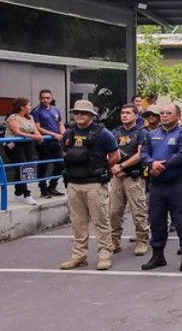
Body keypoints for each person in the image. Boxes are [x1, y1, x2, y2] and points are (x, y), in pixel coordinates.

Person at [58, 100, 120, 271]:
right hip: (73, 184)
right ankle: (78, 255)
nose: (79, 116)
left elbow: (115, 155)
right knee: (78, 222)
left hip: (94, 184)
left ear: (91, 116)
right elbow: (65, 153)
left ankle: (105, 254)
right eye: (76, 113)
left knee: (101, 221)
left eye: (83, 113)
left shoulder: (103, 134)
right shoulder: (69, 134)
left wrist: (101, 167)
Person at [141, 104, 182, 272]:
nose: (164, 115)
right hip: (157, 187)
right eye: (162, 113)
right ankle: (158, 255)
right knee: (156, 221)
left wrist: (162, 165)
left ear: (178, 116)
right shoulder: (152, 134)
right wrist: (152, 163)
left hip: (178, 186)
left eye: (168, 113)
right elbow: (143, 154)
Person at [109, 103, 149, 256]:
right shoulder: (115, 132)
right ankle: (114, 241)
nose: (124, 115)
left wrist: (122, 165)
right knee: (114, 211)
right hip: (117, 177)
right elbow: (109, 152)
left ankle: (141, 240)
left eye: (128, 113)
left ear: (135, 115)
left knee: (138, 211)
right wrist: (114, 167)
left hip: (134, 177)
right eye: (122, 112)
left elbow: (140, 154)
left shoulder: (141, 132)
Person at [4, 97, 43, 205]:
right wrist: (34, 136)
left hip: (27, 144)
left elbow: (35, 130)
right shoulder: (13, 117)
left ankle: (18, 190)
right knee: (22, 167)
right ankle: (26, 194)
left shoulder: (30, 117)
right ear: (22, 106)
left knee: (27, 166)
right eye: (28, 105)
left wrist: (39, 136)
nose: (30, 107)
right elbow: (17, 132)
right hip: (14, 144)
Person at [32, 89, 66, 198]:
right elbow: (37, 127)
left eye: (48, 97)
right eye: (43, 98)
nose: (45, 100)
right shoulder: (36, 111)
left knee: (60, 165)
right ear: (39, 98)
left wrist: (63, 134)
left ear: (52, 98)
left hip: (56, 142)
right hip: (44, 143)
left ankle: (52, 186)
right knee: (43, 166)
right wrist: (53, 134)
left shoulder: (55, 110)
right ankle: (43, 189)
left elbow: (60, 123)